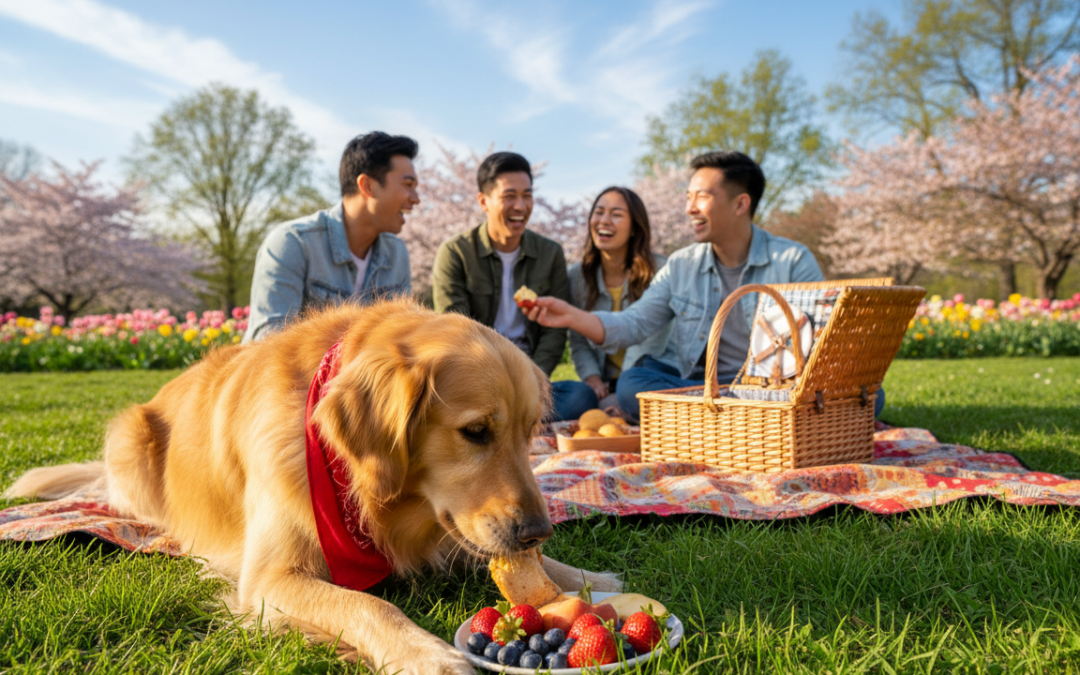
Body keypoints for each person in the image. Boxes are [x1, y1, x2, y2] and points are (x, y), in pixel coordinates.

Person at [526, 151, 879, 422]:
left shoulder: (792, 260)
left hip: (773, 388)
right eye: (687, 197)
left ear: (741, 204)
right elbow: (633, 324)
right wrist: (571, 315)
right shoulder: (682, 263)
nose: (689, 208)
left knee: (872, 397)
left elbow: (824, 344)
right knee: (634, 385)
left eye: (701, 197)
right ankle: (748, 415)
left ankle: (726, 413)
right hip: (697, 382)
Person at [431, 151, 594, 421]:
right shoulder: (456, 252)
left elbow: (554, 332)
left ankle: (511, 421)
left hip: (531, 374)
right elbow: (456, 330)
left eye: (527, 195)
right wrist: (496, 383)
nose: (521, 206)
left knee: (581, 396)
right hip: (480, 378)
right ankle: (515, 420)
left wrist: (534, 381)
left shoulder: (549, 252)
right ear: (484, 201)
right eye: (509, 196)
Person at [244, 132, 418, 343]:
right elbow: (269, 345)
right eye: (408, 185)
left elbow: (401, 342)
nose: (416, 199)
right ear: (367, 186)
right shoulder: (293, 243)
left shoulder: (396, 254)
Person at [567, 186, 671, 412]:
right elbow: (578, 339)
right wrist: (592, 377)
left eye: (616, 214)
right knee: (577, 399)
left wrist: (624, 384)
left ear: (634, 227)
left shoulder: (662, 270)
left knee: (622, 396)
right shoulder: (577, 276)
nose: (604, 220)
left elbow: (652, 337)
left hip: (646, 378)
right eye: (599, 212)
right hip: (603, 383)